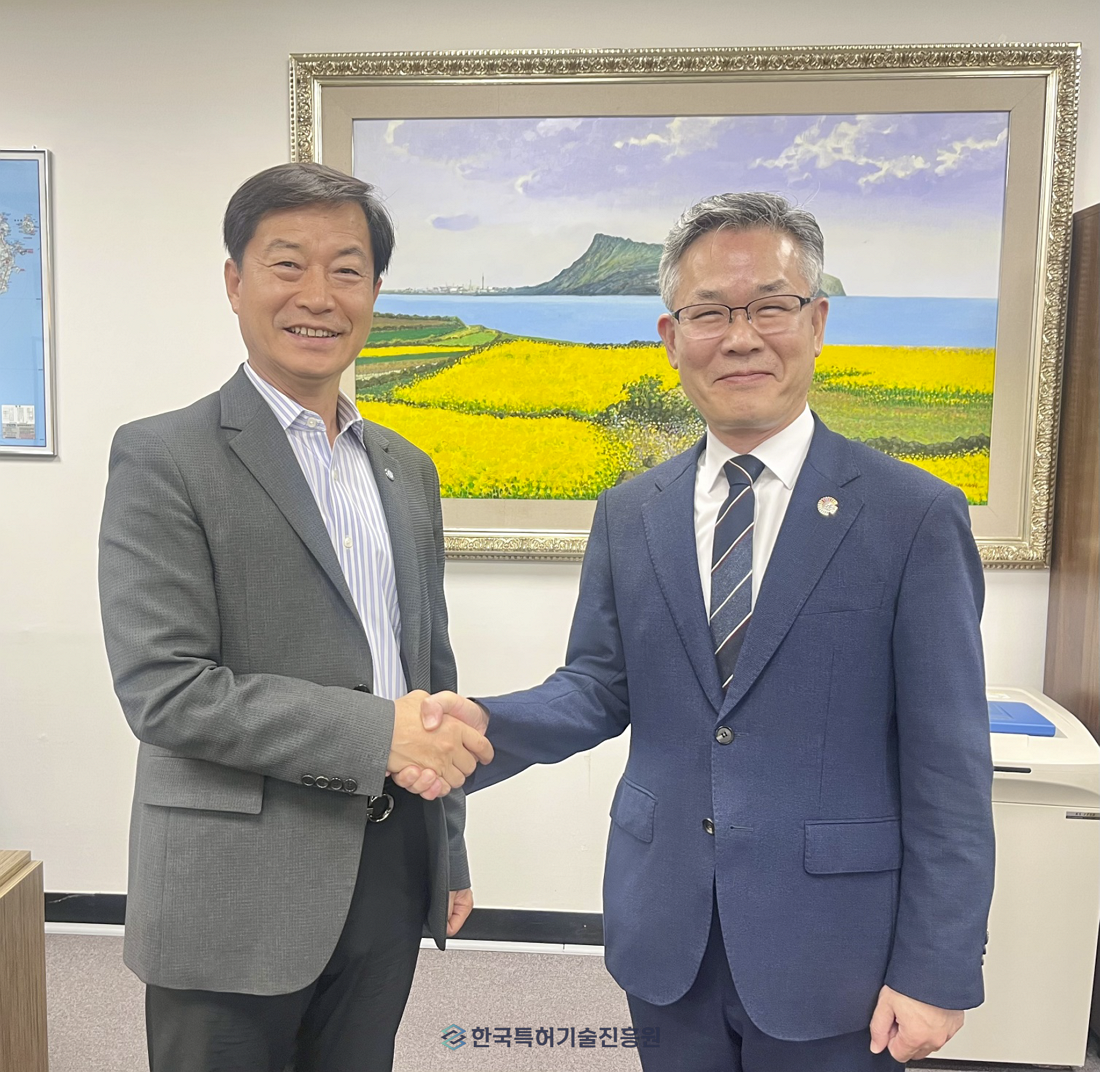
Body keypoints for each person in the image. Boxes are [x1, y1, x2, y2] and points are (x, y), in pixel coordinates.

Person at [399, 192, 995, 1071]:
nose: (740, 337)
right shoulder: (630, 511)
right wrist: (486, 723)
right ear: (671, 338)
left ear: (818, 323)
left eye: (770, 306)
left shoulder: (914, 516)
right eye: (709, 313)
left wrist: (938, 969)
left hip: (835, 948)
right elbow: (599, 684)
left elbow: (950, 763)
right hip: (666, 927)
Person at [98, 161, 492, 1072]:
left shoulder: (406, 469)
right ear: (234, 281)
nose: (318, 295)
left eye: (347, 269)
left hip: (388, 863)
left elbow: (428, 674)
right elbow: (165, 689)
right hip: (233, 877)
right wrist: (377, 733)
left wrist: (450, 848)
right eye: (287, 264)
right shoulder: (164, 455)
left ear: (376, 292)